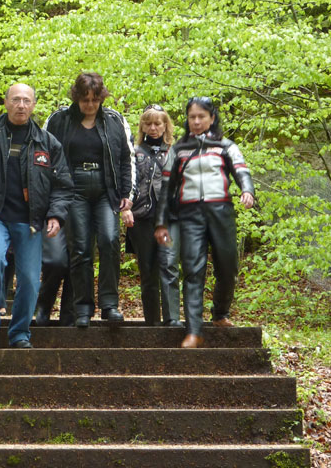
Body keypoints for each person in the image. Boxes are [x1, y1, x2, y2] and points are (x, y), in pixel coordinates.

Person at [0, 83, 73, 348]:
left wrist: (56, 215)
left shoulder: (47, 142)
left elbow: (62, 185)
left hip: (30, 222)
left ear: (33, 105)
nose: (21, 105)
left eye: (26, 100)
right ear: (6, 102)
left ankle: (19, 333)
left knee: (29, 280)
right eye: (16, 99)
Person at [154, 97, 255, 348]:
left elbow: (241, 170)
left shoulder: (225, 146)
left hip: (220, 211)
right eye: (192, 117)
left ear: (212, 118)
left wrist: (247, 190)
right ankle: (194, 331)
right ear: (187, 120)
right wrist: (161, 223)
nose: (197, 121)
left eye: (202, 116)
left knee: (228, 266)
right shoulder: (178, 149)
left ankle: (220, 313)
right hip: (190, 214)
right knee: (193, 270)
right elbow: (166, 187)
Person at [45, 72, 135, 327]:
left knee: (109, 240)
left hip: (107, 190)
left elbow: (126, 159)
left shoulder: (115, 120)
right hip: (73, 190)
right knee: (81, 247)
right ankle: (82, 308)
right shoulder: (59, 119)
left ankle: (109, 305)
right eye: (85, 100)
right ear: (77, 97)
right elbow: (45, 156)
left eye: (95, 100)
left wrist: (127, 194)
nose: (90, 105)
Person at [121, 104, 181, 326]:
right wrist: (125, 208)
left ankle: (172, 319)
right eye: (149, 123)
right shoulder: (133, 152)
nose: (153, 128)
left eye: (158, 123)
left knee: (169, 266)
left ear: (166, 125)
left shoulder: (176, 152)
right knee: (147, 271)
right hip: (141, 218)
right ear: (142, 126)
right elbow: (125, 182)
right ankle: (152, 323)